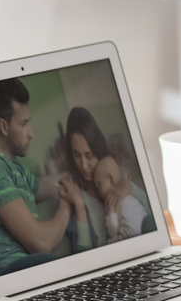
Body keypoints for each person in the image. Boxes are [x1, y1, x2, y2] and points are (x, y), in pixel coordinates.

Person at [0, 78, 81, 277]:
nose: (31, 134)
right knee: (73, 271)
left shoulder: (11, 162)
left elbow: (44, 188)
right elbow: (41, 243)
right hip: (4, 272)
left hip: (24, 266)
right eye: (24, 124)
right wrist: (66, 206)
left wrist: (72, 185)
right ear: (4, 126)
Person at [63, 106, 154, 249]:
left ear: (98, 149)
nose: (84, 166)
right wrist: (79, 205)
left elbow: (152, 218)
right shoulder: (75, 193)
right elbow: (82, 252)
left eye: (89, 155)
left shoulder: (117, 175)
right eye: (76, 155)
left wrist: (128, 186)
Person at [92, 155, 147, 243]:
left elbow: (113, 232)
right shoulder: (129, 196)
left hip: (131, 234)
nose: (98, 192)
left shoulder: (112, 202)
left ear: (111, 179)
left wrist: (110, 214)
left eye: (99, 185)